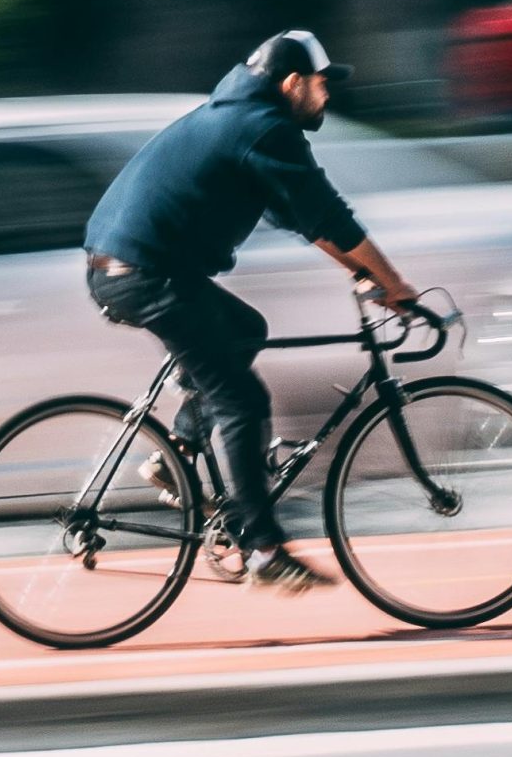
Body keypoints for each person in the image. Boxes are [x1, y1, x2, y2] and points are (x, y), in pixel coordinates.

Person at [82, 31, 417, 594]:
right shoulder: (263, 127)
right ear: (292, 83)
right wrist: (395, 284)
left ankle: (179, 451)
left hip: (137, 267)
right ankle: (263, 550)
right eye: (322, 84)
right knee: (242, 400)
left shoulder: (240, 118)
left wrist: (363, 273)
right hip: (144, 275)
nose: (327, 95)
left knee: (245, 328)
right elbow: (330, 215)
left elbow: (305, 220)